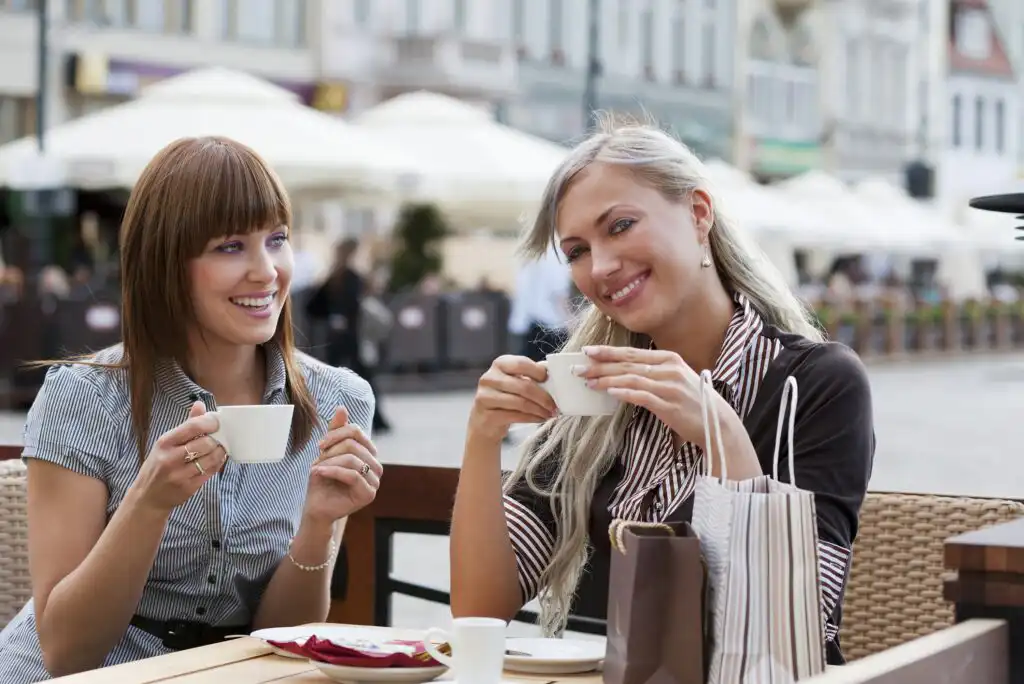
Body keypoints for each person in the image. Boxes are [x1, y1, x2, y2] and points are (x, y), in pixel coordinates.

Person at [449, 119, 875, 665]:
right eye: (577, 250)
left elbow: (797, 631)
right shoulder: (595, 393)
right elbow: (480, 609)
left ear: (699, 214)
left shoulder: (814, 384)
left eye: (621, 225)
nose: (600, 267)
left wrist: (721, 433)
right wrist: (482, 440)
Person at [0, 136, 383, 682]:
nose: (266, 271)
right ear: (165, 265)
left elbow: (282, 636)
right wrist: (147, 505)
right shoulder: (82, 398)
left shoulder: (339, 402)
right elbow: (66, 652)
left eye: (276, 240)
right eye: (230, 246)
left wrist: (320, 524)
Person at [306, 238, 392, 434]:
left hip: (335, 341)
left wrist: (332, 317)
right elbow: (354, 307)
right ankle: (376, 421)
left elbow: (311, 308)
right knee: (365, 380)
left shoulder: (331, 278)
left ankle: (337, 419)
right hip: (355, 339)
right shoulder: (354, 278)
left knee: (335, 381)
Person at [507, 243, 572, 361]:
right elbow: (559, 295)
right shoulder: (555, 256)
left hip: (527, 326)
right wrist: (572, 323)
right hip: (550, 328)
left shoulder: (529, 255)